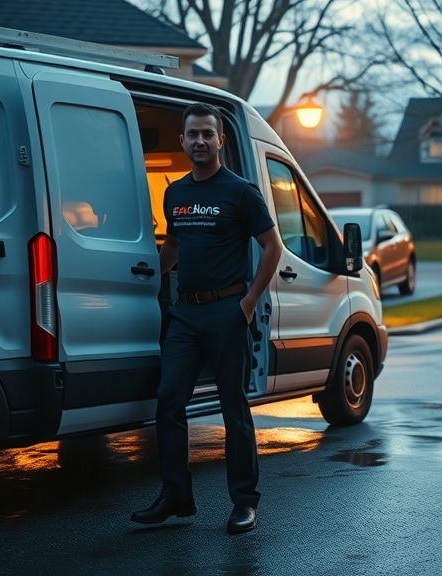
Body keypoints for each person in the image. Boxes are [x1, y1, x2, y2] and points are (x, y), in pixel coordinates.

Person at [131, 102, 282, 534]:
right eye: (193, 134)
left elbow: (272, 247)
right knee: (169, 399)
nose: (200, 141)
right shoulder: (175, 193)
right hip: (186, 314)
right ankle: (176, 495)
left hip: (227, 311)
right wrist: (145, 276)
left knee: (233, 408)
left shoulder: (240, 192)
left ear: (221, 140)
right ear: (182, 141)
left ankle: (244, 502)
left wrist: (249, 303)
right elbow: (174, 246)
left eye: (207, 134)